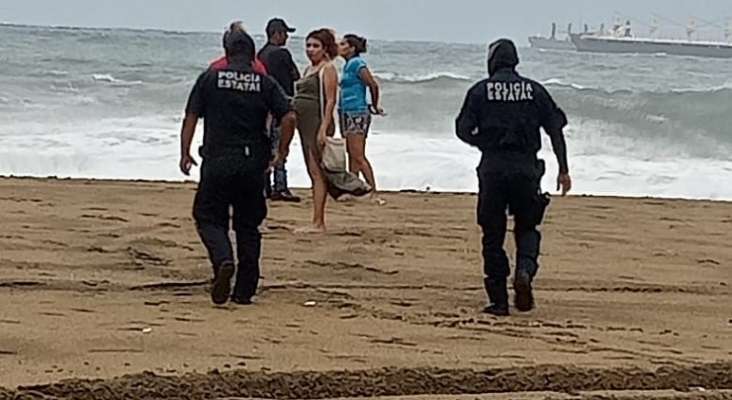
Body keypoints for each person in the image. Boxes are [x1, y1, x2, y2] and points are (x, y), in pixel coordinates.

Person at [179, 27, 296, 306]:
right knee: (248, 224)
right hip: (252, 162)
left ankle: (223, 260)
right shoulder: (263, 82)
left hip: (217, 159)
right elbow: (289, 115)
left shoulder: (210, 78)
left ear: (227, 53)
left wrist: (185, 152)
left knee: (208, 217)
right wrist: (281, 151)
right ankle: (245, 289)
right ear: (253, 54)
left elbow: (191, 116)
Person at [455, 38, 572, 317]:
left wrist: (483, 141)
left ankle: (498, 300)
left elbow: (462, 129)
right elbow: (556, 129)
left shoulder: (480, 91)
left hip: (493, 168)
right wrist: (563, 169)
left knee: (492, 234)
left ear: (492, 61)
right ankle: (525, 272)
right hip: (526, 168)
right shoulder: (535, 90)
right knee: (528, 226)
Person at [281, 28, 371, 234]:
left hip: (316, 124)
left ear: (325, 49)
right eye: (308, 45)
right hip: (303, 126)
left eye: (315, 46)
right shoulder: (307, 70)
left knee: (318, 173)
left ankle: (319, 221)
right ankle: (343, 194)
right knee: (315, 172)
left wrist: (324, 129)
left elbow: (331, 100)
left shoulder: (327, 69)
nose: (310, 50)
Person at [257, 17, 301, 202]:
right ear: (276, 33)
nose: (286, 38)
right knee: (281, 145)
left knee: (266, 145)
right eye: (285, 33)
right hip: (281, 104)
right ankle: (280, 186)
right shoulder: (282, 54)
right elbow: (295, 75)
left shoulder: (260, 54)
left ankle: (265, 185)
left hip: (263, 105)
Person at [337, 34, 384, 201]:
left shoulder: (357, 64)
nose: (339, 46)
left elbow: (372, 84)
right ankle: (354, 187)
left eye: (343, 44)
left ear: (352, 48)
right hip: (345, 111)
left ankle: (373, 190)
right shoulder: (347, 65)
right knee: (351, 152)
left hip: (356, 111)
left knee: (358, 154)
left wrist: (374, 105)